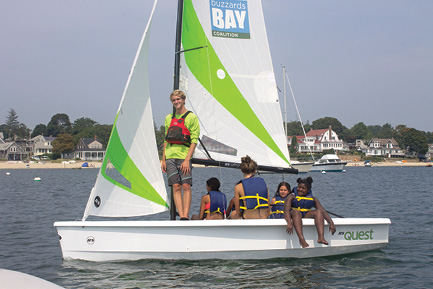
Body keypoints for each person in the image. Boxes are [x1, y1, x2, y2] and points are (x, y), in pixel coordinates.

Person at [161, 90, 200, 220]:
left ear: (183, 100)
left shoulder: (191, 117)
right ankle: (181, 215)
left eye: (178, 99)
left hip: (184, 157)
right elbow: (166, 140)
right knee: (176, 186)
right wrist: (163, 160)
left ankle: (185, 216)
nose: (176, 102)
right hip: (171, 156)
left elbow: (194, 140)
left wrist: (187, 159)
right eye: (174, 100)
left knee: (186, 185)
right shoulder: (168, 118)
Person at [284, 177, 336, 248]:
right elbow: (286, 210)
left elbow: (323, 211)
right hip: (294, 214)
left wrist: (331, 223)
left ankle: (321, 237)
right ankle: (301, 239)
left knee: (318, 211)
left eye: (303, 188)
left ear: (308, 190)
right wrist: (289, 223)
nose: (300, 189)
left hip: (305, 214)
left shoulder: (313, 199)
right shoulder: (291, 196)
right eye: (299, 187)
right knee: (296, 212)